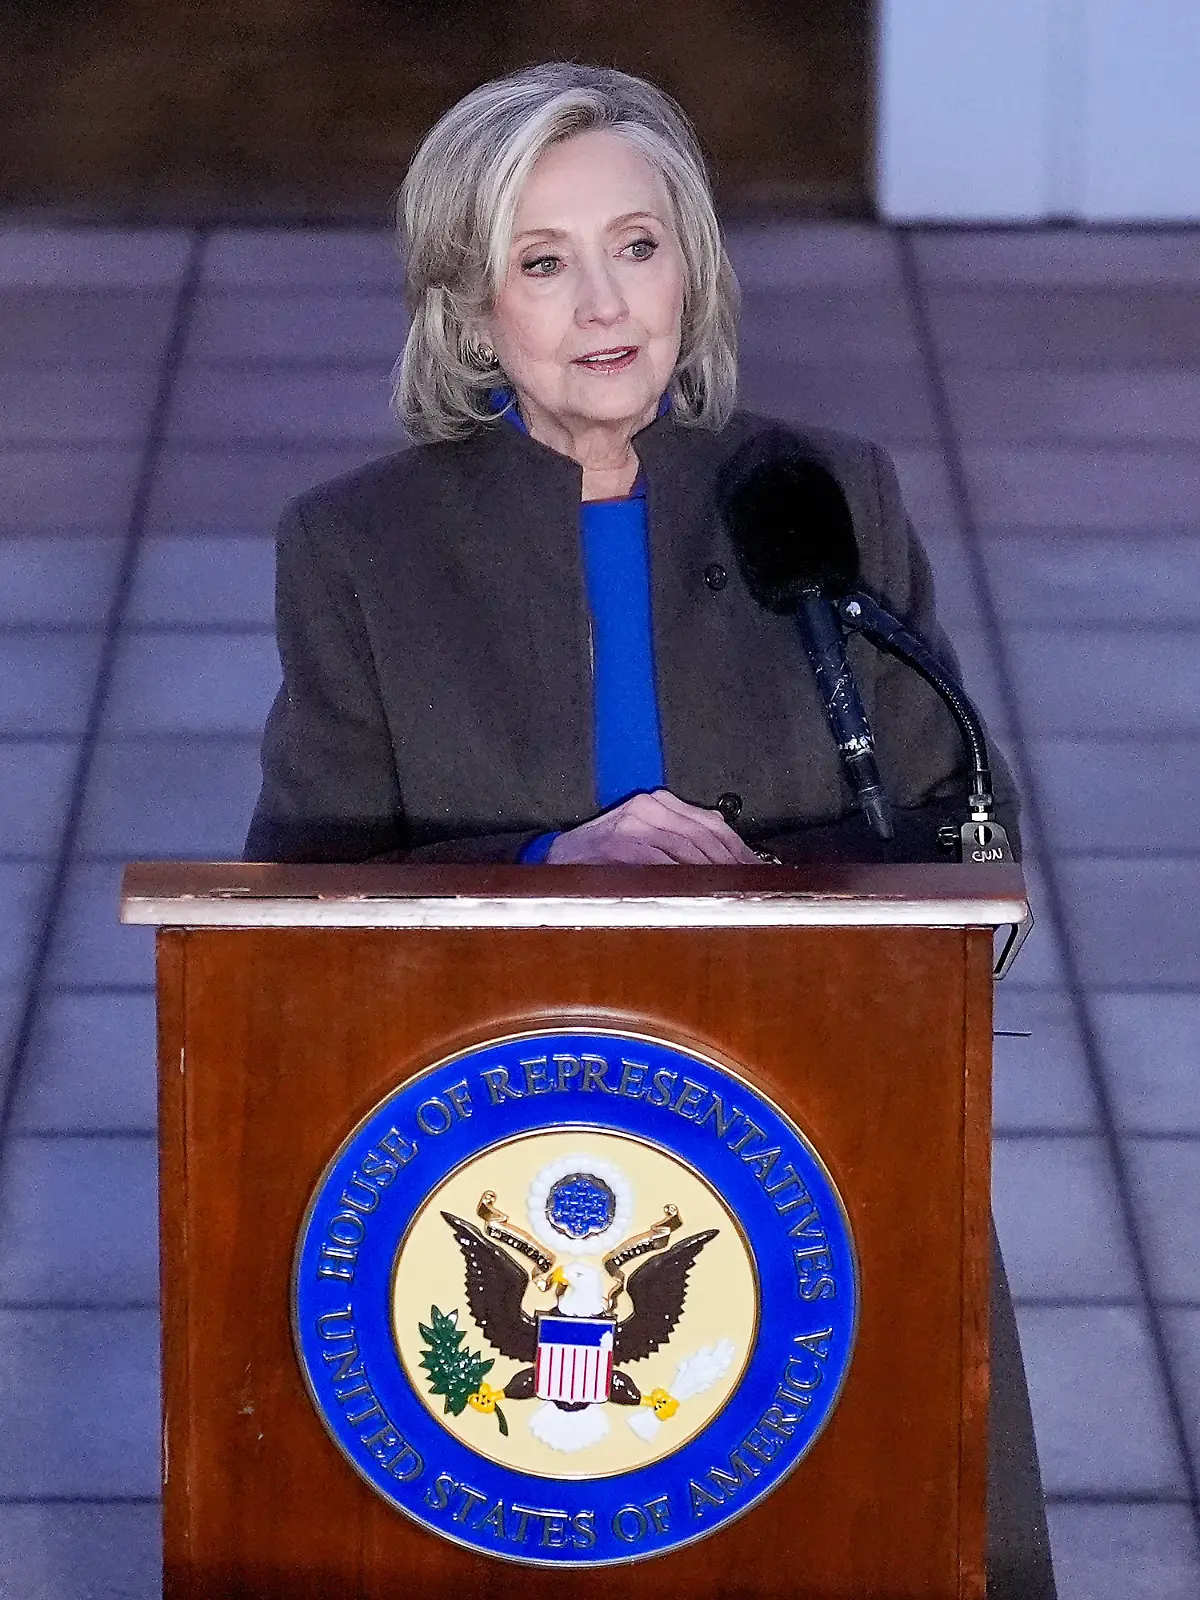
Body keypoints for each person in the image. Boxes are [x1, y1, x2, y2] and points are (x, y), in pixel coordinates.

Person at [245, 62, 1055, 1595]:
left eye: (639, 244)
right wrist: (553, 863)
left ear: (694, 264)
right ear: (472, 311)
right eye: (542, 263)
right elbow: (298, 911)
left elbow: (960, 840)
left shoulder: (825, 494)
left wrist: (799, 895)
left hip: (825, 1132)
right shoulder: (358, 549)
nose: (605, 303)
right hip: (506, 1153)